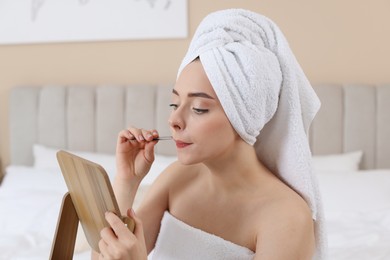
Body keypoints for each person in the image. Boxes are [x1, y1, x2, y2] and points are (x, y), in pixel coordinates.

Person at [93, 8, 326, 260]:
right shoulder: (178, 178)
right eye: (174, 104)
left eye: (198, 108)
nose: (174, 120)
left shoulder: (286, 217)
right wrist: (126, 182)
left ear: (244, 116)